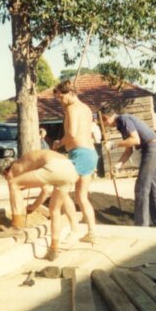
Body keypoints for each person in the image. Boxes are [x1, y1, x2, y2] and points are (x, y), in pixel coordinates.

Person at [0, 150, 78, 261]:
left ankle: (16, 226)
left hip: (54, 166)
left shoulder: (16, 166)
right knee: (55, 210)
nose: (7, 179)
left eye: (6, 177)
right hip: (70, 169)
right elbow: (45, 191)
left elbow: (15, 183)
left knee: (13, 184)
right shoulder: (32, 162)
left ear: (6, 172)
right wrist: (34, 206)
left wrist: (13, 183)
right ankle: (53, 250)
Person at [100, 103, 156, 227]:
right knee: (152, 186)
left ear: (106, 118)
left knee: (141, 187)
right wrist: (117, 166)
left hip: (152, 148)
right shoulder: (121, 124)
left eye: (102, 122)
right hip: (154, 147)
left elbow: (135, 140)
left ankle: (141, 226)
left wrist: (113, 144)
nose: (103, 125)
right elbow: (129, 150)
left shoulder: (123, 119)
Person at [53, 80, 99, 242]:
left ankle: (74, 229)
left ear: (71, 93)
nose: (61, 100)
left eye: (62, 96)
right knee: (81, 196)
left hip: (80, 154)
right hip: (90, 153)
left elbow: (72, 133)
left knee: (60, 189)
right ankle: (92, 233)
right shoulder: (86, 108)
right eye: (58, 98)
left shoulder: (72, 108)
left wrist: (59, 142)